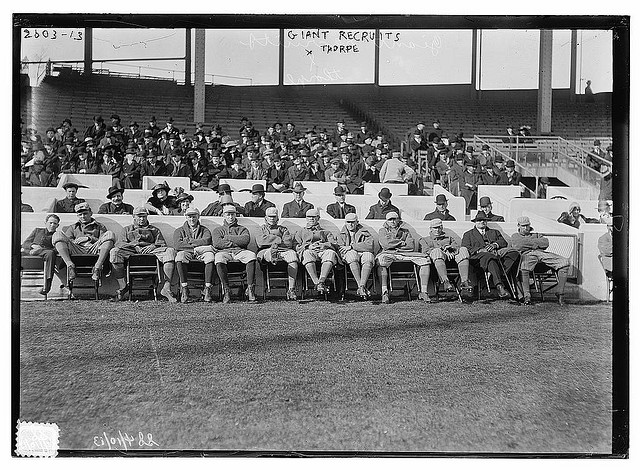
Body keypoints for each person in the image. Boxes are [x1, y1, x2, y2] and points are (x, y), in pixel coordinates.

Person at [109, 207, 177, 302]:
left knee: (170, 251)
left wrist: (153, 246)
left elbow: (162, 243)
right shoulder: (127, 229)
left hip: (150, 253)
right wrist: (133, 245)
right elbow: (120, 244)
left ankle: (166, 288)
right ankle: (123, 287)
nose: (142, 219)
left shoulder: (154, 230)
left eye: (144, 216)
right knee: (114, 252)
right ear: (133, 216)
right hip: (131, 252)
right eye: (139, 216)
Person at [510, 216, 570, 305]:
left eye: (527, 225)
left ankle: (560, 293)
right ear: (518, 226)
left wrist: (528, 243)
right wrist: (536, 243)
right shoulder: (515, 236)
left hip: (541, 254)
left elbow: (545, 243)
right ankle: (527, 296)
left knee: (564, 262)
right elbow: (518, 245)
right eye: (523, 226)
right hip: (527, 254)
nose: (526, 228)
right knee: (524, 265)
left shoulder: (536, 234)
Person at [52, 202, 116, 284]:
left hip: (94, 249)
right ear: (77, 216)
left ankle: (97, 267)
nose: (83, 216)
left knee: (110, 234)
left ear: (91, 213)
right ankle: (70, 266)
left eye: (85, 214)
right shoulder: (73, 227)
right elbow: (67, 241)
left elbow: (103, 240)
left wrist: (89, 238)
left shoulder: (99, 226)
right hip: (77, 249)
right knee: (57, 234)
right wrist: (77, 241)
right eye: (80, 214)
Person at [376, 211, 432, 303]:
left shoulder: (406, 231)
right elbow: (385, 244)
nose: (393, 222)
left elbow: (410, 246)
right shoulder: (383, 230)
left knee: (425, 260)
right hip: (389, 253)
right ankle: (384, 292)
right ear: (387, 221)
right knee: (381, 261)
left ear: (398, 220)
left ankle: (424, 292)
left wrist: (393, 244)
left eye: (395, 219)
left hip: (405, 254)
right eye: (390, 220)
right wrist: (400, 242)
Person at [211, 203, 258, 303]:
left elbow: (245, 240)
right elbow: (217, 243)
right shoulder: (218, 230)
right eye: (228, 214)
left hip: (240, 251)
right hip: (224, 252)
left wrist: (227, 238)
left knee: (251, 255)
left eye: (232, 214)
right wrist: (235, 242)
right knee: (218, 258)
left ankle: (250, 289)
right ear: (223, 215)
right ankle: (226, 290)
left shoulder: (242, 229)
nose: (230, 217)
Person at [461, 212, 511, 298]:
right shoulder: (468, 234)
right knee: (489, 257)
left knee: (492, 259)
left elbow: (504, 242)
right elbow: (465, 247)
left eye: (484, 220)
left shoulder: (494, 232)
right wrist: (480, 250)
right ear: (475, 222)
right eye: (479, 220)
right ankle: (499, 286)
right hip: (476, 259)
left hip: (493, 258)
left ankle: (499, 286)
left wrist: (494, 245)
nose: (482, 222)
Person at [173, 207, 216, 303]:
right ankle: (184, 288)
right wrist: (196, 248)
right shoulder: (179, 230)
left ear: (198, 217)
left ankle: (207, 288)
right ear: (186, 217)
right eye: (189, 217)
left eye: (194, 216)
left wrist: (190, 242)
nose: (192, 219)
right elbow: (177, 245)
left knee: (210, 256)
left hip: (201, 253)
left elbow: (207, 240)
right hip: (191, 252)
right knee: (180, 256)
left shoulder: (204, 230)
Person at [256, 206, 299, 300]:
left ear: (277, 218)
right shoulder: (261, 229)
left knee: (293, 256)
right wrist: (278, 239)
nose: (272, 218)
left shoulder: (283, 229)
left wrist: (270, 239)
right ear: (265, 218)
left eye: (274, 216)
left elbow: (288, 243)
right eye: (270, 216)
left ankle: (291, 289)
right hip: (266, 251)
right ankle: (273, 255)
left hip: (283, 250)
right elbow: (260, 242)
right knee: (270, 252)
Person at [419, 218, 472, 293]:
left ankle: (464, 281)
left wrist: (450, 249)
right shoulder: (425, 240)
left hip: (453, 263)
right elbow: (425, 251)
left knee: (463, 249)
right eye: (435, 228)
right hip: (436, 265)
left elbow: (456, 247)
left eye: (439, 227)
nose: (437, 230)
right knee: (436, 251)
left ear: (442, 228)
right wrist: (443, 249)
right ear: (430, 229)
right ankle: (445, 281)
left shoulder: (449, 238)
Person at [294, 208, 339, 295]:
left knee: (331, 253)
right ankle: (317, 283)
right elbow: (295, 245)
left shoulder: (325, 232)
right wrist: (308, 246)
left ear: (318, 218)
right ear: (306, 218)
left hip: (323, 251)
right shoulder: (301, 231)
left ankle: (321, 281)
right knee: (306, 254)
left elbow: (334, 244)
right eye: (309, 217)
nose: (311, 219)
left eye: (313, 217)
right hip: (310, 251)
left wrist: (325, 245)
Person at [337, 212, 375, 300]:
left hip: (363, 252)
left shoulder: (364, 231)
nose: (350, 224)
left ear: (357, 222)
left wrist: (352, 246)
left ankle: (361, 286)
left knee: (368, 257)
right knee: (352, 256)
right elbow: (341, 249)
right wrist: (351, 249)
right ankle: (361, 286)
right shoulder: (341, 233)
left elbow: (370, 246)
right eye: (348, 222)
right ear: (345, 222)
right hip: (351, 255)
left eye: (352, 222)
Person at [21, 213, 61, 296]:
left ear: (58, 225)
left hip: (45, 257)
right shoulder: (37, 230)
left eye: (55, 223)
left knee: (51, 253)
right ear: (45, 223)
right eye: (50, 223)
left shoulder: (57, 235)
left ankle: (47, 286)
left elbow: (56, 249)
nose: (52, 225)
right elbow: (25, 243)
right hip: (30, 256)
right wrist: (33, 246)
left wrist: (40, 249)